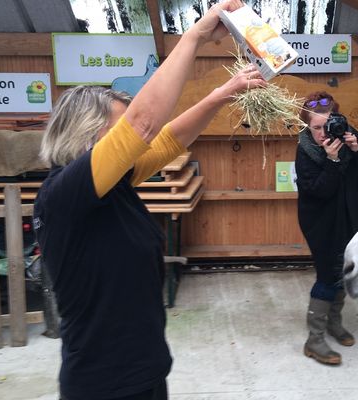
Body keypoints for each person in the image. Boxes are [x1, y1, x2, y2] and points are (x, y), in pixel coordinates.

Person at [33, 1, 266, 399]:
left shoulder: (114, 183)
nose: (132, 136)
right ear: (87, 134)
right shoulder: (63, 196)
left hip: (146, 373)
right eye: (119, 128)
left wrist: (223, 94)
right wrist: (193, 36)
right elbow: (144, 124)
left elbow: (169, 139)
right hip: (104, 387)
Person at [296, 91, 358, 365]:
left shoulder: (347, 136)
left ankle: (334, 323)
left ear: (337, 119)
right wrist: (332, 162)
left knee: (344, 271)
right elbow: (317, 192)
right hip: (320, 222)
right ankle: (314, 339)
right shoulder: (306, 150)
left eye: (326, 124)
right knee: (327, 273)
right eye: (316, 127)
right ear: (308, 126)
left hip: (351, 216)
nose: (322, 133)